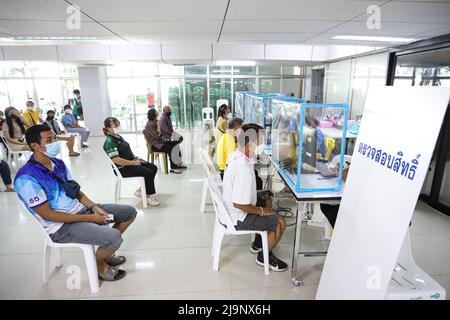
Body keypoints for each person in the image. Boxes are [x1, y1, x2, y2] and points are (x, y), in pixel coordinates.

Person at [14, 125, 136, 281]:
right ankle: (99, 264)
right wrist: (90, 218)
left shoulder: (57, 164)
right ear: (35, 146)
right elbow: (47, 214)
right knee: (114, 238)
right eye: (49, 140)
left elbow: (76, 191)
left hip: (80, 211)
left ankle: (104, 253)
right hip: (60, 226)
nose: (55, 142)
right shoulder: (26, 178)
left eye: (55, 137)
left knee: (129, 213)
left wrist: (94, 207)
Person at [223, 123, 287, 271]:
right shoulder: (243, 168)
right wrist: (262, 212)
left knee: (267, 197)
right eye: (260, 141)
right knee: (280, 222)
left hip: (232, 208)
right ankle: (264, 256)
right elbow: (240, 204)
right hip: (239, 216)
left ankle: (260, 242)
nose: (262, 144)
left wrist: (260, 198)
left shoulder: (236, 154)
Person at [103, 117, 160, 206]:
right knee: (148, 172)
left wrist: (136, 158)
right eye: (115, 126)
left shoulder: (118, 137)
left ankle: (141, 190)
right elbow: (117, 160)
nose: (117, 127)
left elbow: (126, 151)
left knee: (153, 167)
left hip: (130, 163)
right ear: (108, 128)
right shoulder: (109, 142)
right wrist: (134, 163)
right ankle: (148, 196)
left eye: (118, 125)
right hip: (123, 169)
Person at [143, 109, 186, 174]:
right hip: (155, 145)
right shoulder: (149, 125)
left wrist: (171, 136)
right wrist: (159, 126)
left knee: (175, 144)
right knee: (171, 149)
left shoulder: (156, 121)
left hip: (160, 142)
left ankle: (178, 163)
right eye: (156, 112)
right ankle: (173, 168)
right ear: (153, 114)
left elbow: (163, 133)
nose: (157, 113)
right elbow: (157, 136)